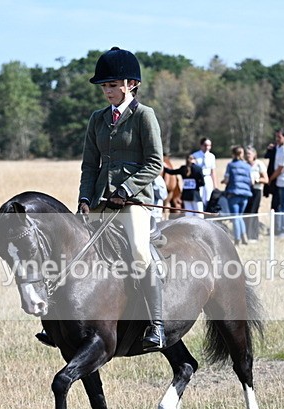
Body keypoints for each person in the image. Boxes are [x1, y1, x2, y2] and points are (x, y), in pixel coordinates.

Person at [77, 46, 165, 351]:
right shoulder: (97, 119)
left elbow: (155, 163)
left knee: (140, 252)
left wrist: (126, 191)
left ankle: (157, 324)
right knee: (73, 253)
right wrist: (85, 199)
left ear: (131, 84)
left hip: (135, 202)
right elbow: (90, 165)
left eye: (112, 85)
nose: (107, 91)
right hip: (101, 200)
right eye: (104, 86)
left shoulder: (144, 116)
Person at [222, 146, 254, 245]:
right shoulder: (248, 166)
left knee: (235, 217)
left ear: (233, 154)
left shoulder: (231, 165)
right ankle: (244, 238)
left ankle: (237, 239)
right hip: (245, 195)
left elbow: (227, 180)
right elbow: (252, 181)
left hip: (234, 193)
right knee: (240, 216)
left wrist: (224, 181)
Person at [243, 146, 268, 242]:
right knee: (246, 212)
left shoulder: (259, 164)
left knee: (253, 212)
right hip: (246, 190)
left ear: (254, 155)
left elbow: (266, 179)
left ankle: (253, 235)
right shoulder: (245, 165)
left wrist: (256, 180)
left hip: (256, 190)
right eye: (246, 154)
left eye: (249, 154)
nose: (247, 155)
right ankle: (246, 234)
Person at [191, 137, 216, 218]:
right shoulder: (195, 155)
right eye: (205, 145)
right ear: (201, 145)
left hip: (208, 178)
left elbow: (213, 171)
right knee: (200, 198)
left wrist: (215, 185)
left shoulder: (211, 156)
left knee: (208, 198)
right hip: (199, 180)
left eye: (209, 145)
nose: (207, 147)